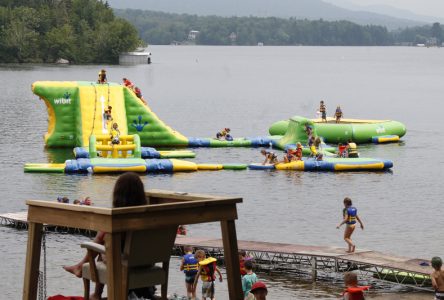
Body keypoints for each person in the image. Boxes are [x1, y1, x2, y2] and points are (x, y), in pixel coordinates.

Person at [63, 172, 147, 300]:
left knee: (102, 246)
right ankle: (80, 268)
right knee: (104, 243)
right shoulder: (148, 216)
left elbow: (102, 243)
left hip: (126, 264)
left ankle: (94, 290)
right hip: (146, 262)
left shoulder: (117, 217)